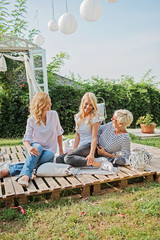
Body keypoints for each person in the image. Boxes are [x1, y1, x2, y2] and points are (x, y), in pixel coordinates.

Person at [0, 92, 64, 187]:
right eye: (47, 103)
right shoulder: (31, 120)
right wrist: (29, 148)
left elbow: (59, 134)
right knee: (38, 147)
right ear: (40, 104)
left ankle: (10, 170)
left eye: (50, 102)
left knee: (50, 155)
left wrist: (61, 151)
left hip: (48, 152)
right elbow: (26, 140)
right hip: (33, 149)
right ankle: (26, 175)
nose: (50, 105)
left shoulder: (54, 115)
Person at [56, 108, 133, 169]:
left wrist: (105, 154)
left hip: (99, 154)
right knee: (59, 159)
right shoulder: (110, 125)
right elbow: (97, 130)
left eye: (113, 118)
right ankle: (94, 163)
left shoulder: (125, 138)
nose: (111, 119)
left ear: (120, 124)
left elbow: (125, 158)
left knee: (68, 158)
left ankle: (98, 164)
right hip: (92, 146)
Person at [56, 92, 100, 167]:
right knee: (59, 159)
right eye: (86, 104)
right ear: (82, 102)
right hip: (81, 146)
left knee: (68, 158)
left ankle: (96, 164)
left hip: (90, 146)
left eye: (91, 105)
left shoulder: (94, 117)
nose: (88, 107)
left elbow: (94, 137)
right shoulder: (78, 117)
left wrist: (91, 154)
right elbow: (77, 135)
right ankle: (81, 161)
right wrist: (74, 149)